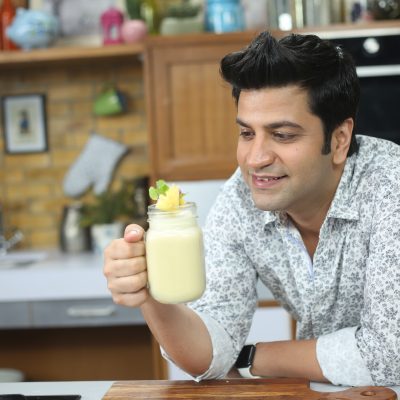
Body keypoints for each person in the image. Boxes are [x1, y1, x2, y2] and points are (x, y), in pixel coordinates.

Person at [103, 31, 400, 386]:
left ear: (339, 140)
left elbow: (389, 355)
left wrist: (252, 357)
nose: (256, 159)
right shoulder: (240, 200)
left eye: (283, 135)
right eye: (247, 133)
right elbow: (209, 353)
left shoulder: (390, 187)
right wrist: (152, 296)